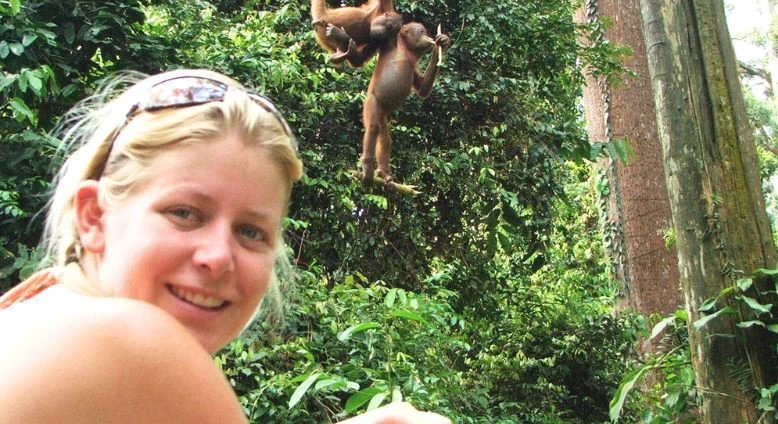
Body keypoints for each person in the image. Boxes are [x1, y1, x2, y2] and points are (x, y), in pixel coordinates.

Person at [0, 69, 450, 424]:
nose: (217, 257)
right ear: (94, 217)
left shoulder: (36, 306)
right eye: (184, 213)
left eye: (251, 232)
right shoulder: (137, 340)